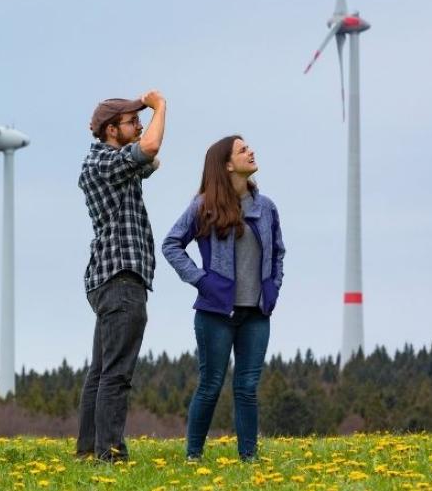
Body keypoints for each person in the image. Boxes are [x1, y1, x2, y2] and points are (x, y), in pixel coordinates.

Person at [162, 135, 285, 462]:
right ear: (227, 164)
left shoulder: (267, 207)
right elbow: (171, 245)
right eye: (243, 149)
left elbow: (279, 252)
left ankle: (249, 459)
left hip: (256, 314)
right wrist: (201, 280)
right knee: (211, 385)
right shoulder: (203, 206)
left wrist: (272, 287)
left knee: (247, 388)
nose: (252, 151)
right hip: (215, 314)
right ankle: (193, 457)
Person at [76, 91, 168, 462]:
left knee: (101, 373)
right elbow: (151, 148)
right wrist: (160, 106)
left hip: (110, 278)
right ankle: (109, 455)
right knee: (116, 375)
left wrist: (131, 111)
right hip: (121, 278)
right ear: (112, 130)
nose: (139, 125)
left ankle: (87, 451)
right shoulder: (104, 163)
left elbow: (152, 159)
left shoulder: (106, 160)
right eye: (131, 122)